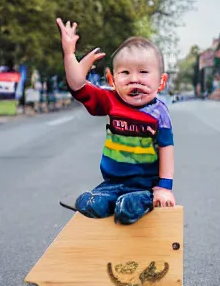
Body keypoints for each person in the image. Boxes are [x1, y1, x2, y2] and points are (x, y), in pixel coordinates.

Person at [56, 18, 175, 225]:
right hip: (111, 182)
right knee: (97, 203)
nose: (134, 79)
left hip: (144, 185)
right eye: (125, 73)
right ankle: (98, 202)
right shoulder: (110, 100)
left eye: (144, 72)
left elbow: (166, 148)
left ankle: (133, 204)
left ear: (161, 82)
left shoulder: (159, 114)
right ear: (112, 80)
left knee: (129, 206)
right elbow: (77, 86)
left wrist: (163, 188)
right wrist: (69, 54)